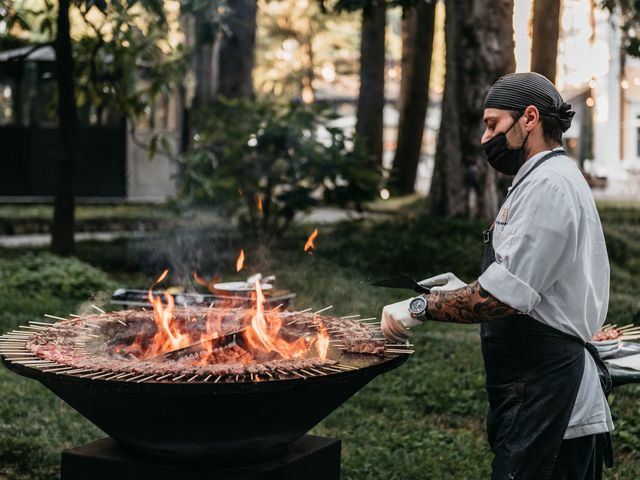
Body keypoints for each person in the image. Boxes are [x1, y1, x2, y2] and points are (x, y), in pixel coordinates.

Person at [382, 72, 613, 480]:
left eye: (492, 124)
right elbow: (521, 278)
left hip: (549, 396)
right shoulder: (541, 179)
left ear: (529, 118)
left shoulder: (549, 186)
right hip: (530, 388)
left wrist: (419, 307)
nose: (485, 137)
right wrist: (464, 289)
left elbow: (503, 298)